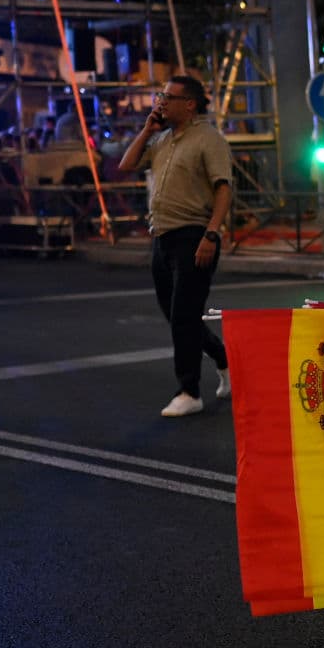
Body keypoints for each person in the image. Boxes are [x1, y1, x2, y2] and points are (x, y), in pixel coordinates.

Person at [118, 76, 233, 417]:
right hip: (162, 237)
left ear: (190, 104)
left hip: (194, 235)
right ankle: (224, 357)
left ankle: (189, 391)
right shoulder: (161, 140)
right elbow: (126, 165)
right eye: (161, 96)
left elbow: (223, 188)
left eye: (168, 97)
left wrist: (211, 234)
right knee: (176, 315)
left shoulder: (209, 139)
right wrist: (147, 129)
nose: (161, 102)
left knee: (184, 315)